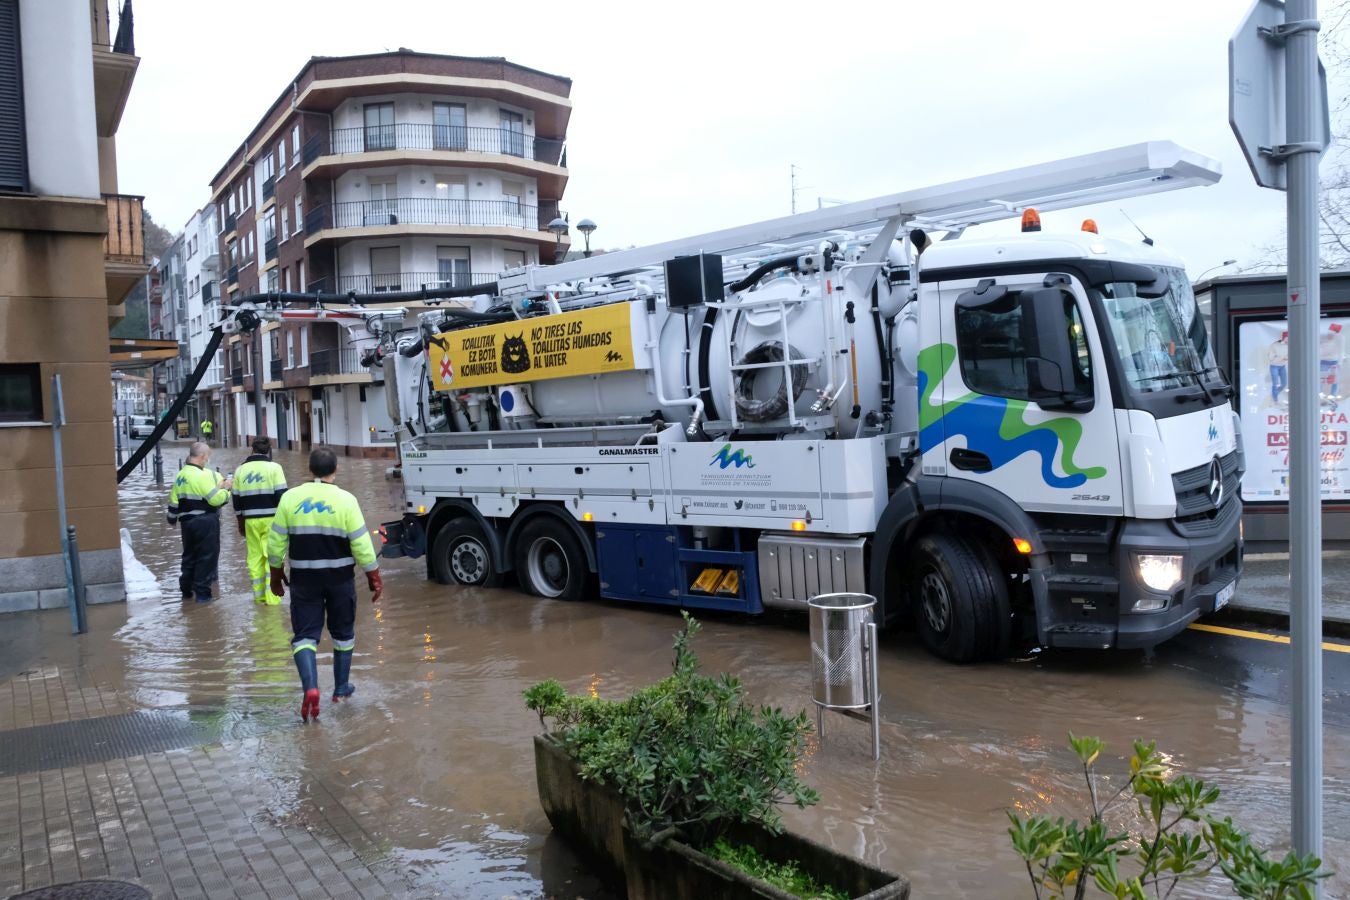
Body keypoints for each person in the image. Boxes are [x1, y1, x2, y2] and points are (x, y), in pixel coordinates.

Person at [267, 446, 383, 722]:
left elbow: (275, 543)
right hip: (340, 579)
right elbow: (362, 544)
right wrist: (373, 576)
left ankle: (311, 688)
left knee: (305, 636)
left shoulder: (290, 498)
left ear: (309, 469)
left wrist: (275, 574)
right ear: (336, 470)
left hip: (304, 580)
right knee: (343, 633)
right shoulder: (346, 500)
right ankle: (341, 689)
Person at [166, 442, 233, 603]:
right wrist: (227, 491)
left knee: (189, 556)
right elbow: (215, 499)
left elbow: (173, 502)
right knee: (207, 557)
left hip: (186, 523)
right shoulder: (201, 475)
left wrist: (172, 518)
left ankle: (186, 591)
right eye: (207, 457)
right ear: (203, 457)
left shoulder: (181, 475)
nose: (207, 460)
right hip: (205, 522)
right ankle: (203, 596)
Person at [231, 436, 289, 605]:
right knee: (273, 557)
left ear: (252, 449)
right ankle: (273, 600)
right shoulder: (274, 468)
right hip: (272, 521)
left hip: (250, 521)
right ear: (269, 450)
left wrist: (240, 522)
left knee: (255, 558)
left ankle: (259, 597)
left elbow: (236, 500)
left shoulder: (240, 470)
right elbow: (282, 497)